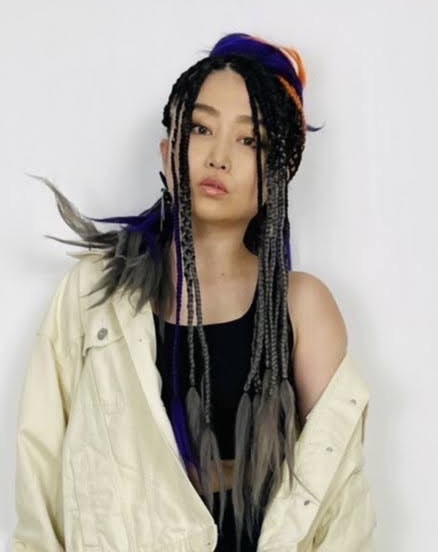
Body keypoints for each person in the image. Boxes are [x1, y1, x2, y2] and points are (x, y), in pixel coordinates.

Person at [13, 33, 375, 551]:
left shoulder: (301, 305)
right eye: (201, 129)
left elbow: (339, 498)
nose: (219, 157)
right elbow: (41, 464)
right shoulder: (95, 294)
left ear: (277, 176)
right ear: (168, 152)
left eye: (250, 141)